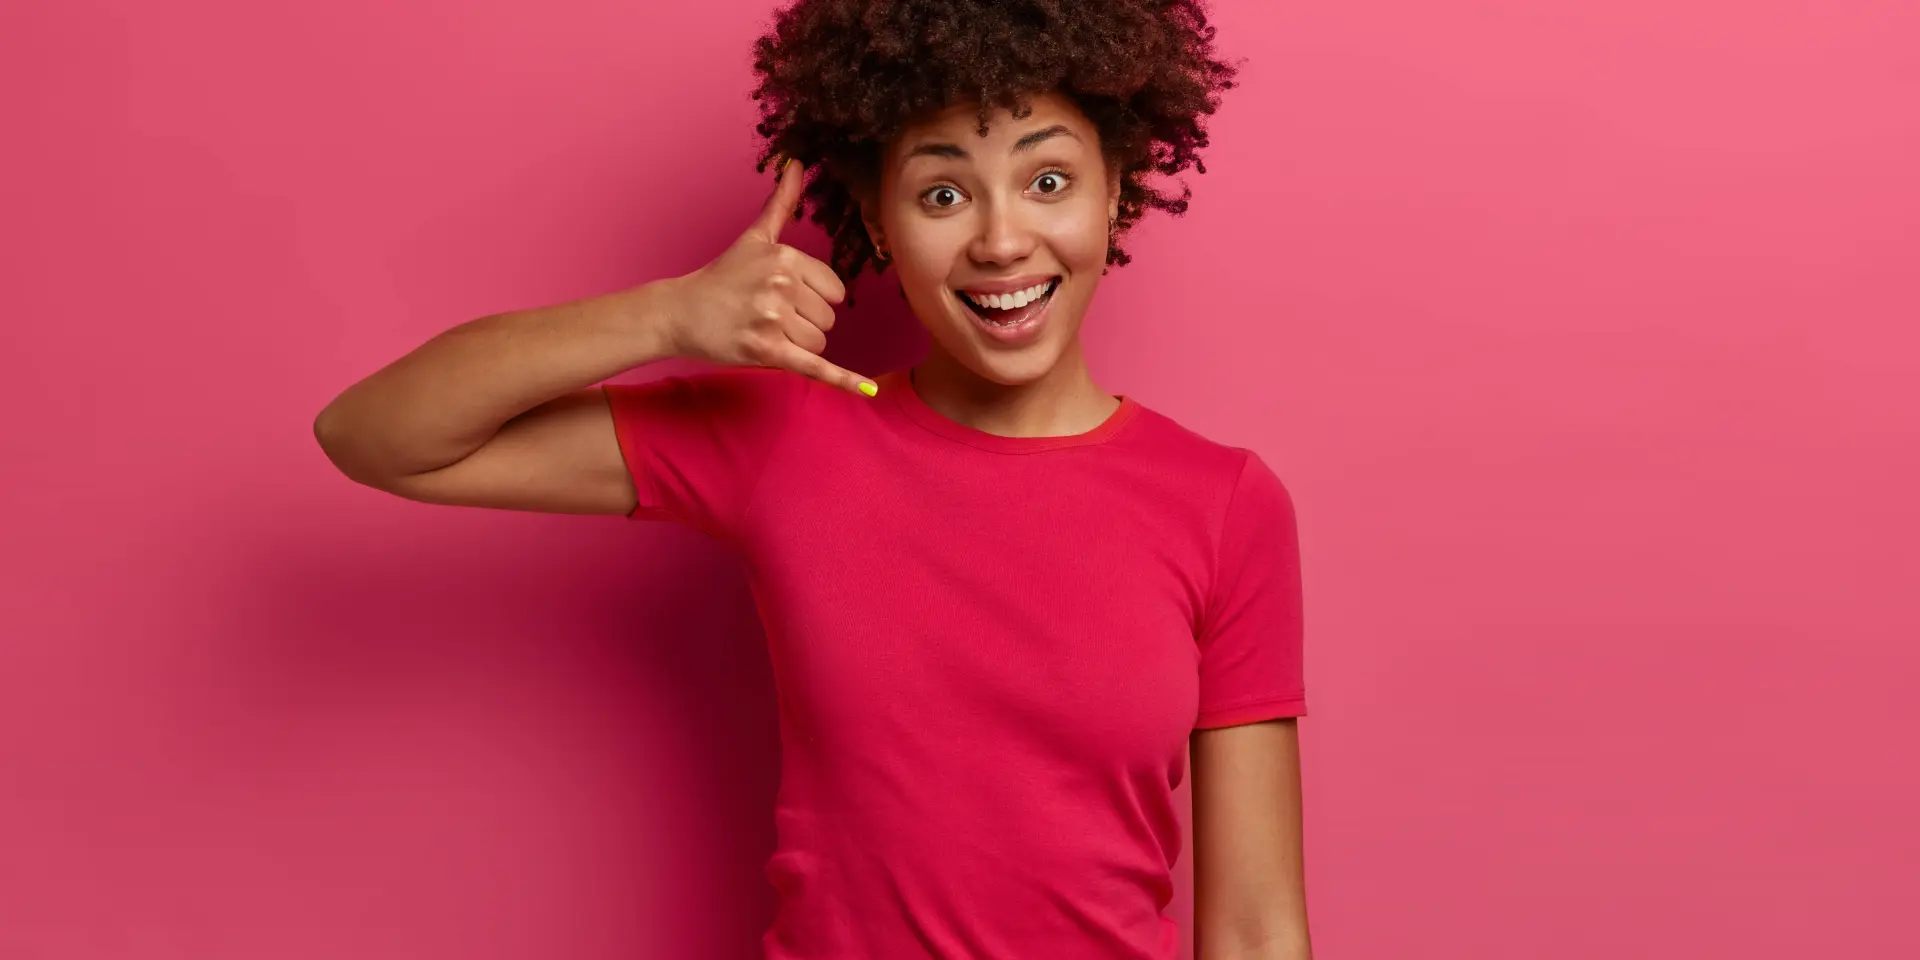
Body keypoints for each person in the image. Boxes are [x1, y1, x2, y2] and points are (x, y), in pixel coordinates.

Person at [314, 0, 1310, 956]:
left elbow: (1257, 931)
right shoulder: (788, 437)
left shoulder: (1225, 505)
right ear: (876, 220)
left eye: (1048, 180)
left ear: (1117, 189)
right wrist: (667, 317)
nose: (1002, 240)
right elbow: (377, 435)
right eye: (943, 193)